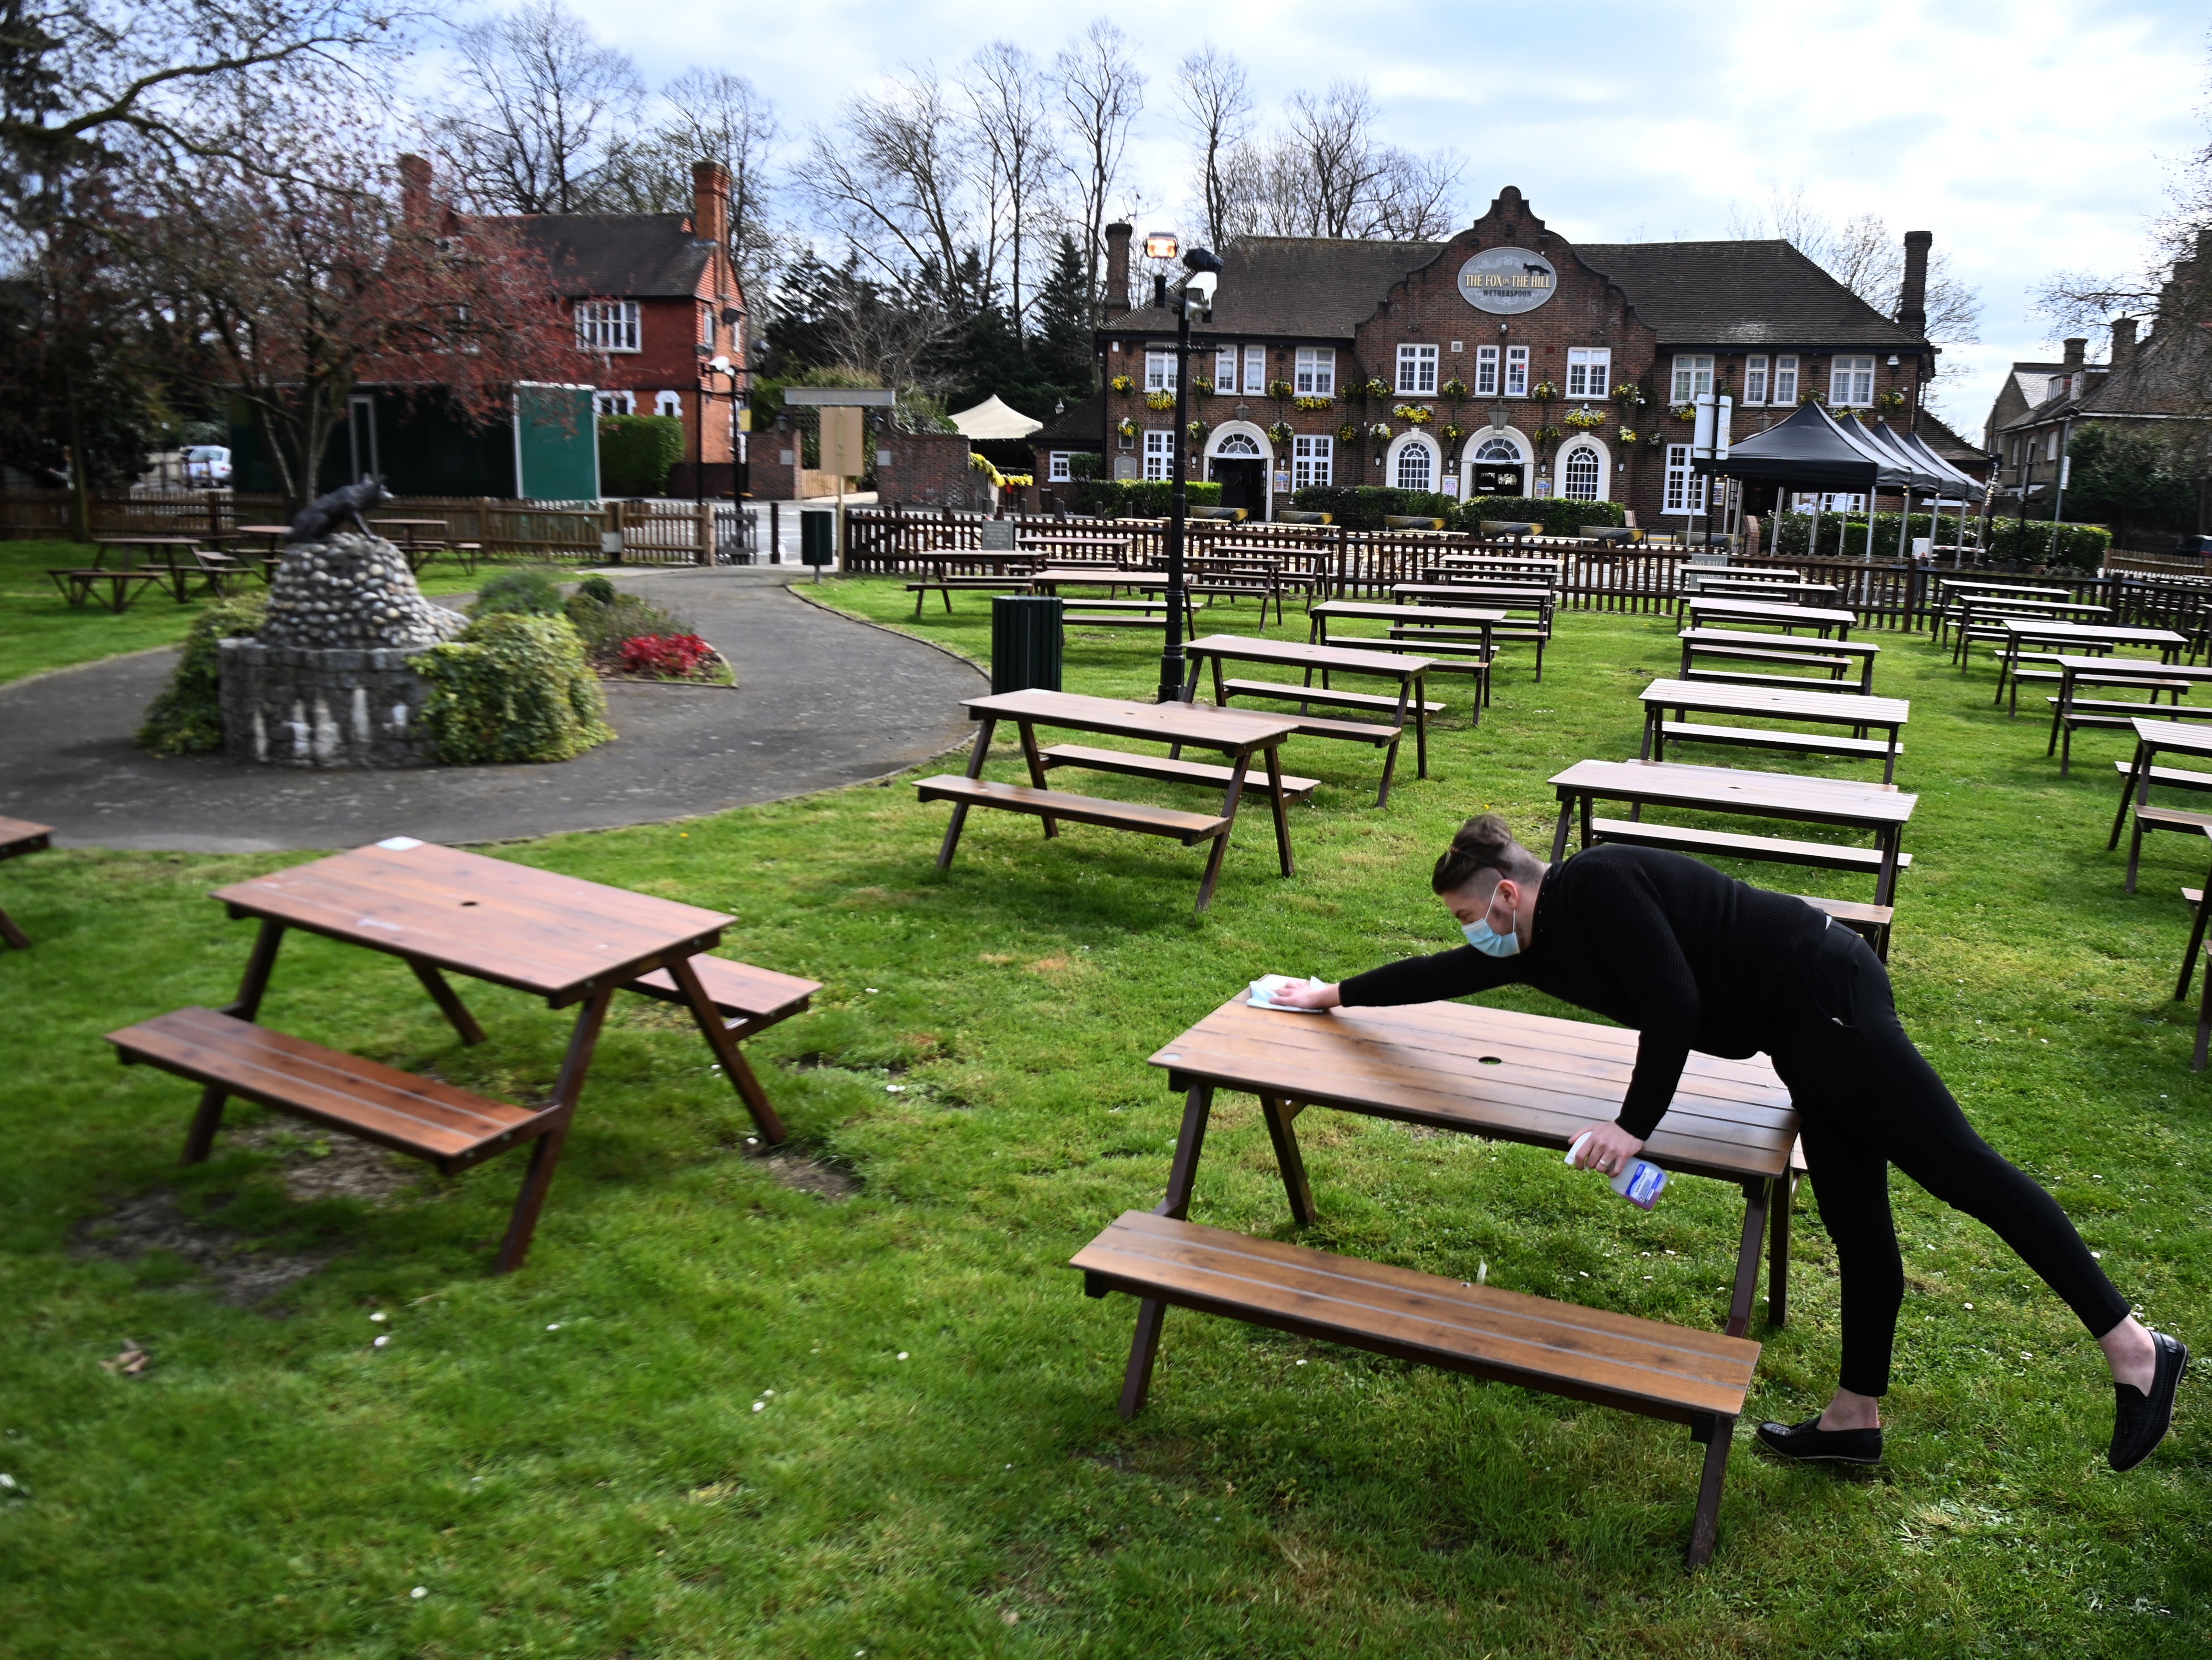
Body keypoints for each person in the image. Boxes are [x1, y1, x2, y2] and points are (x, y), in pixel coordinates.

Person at [1272, 814, 2186, 1470]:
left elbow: (1673, 1001)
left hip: (1826, 993)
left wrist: (1632, 1128)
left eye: (1469, 913)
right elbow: (1442, 972)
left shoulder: (1595, 884)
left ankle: (2133, 1348)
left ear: (1503, 892)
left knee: (1960, 1171)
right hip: (1799, 1030)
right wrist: (1335, 995)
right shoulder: (1537, 937)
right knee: (1855, 1218)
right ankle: (1853, 1417)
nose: (1470, 931)